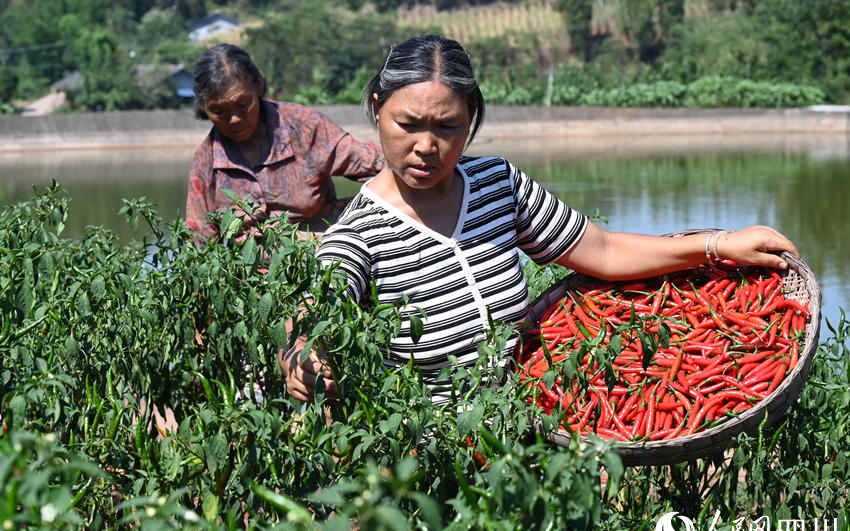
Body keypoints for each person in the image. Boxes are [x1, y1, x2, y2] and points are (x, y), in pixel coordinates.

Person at [279, 35, 800, 406]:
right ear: (376, 110)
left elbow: (604, 251)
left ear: (471, 121)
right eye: (408, 124)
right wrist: (301, 353)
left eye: (448, 127)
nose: (427, 147)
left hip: (530, 436)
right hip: (431, 464)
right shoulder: (358, 234)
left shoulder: (495, 185)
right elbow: (315, 311)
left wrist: (719, 243)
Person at [186, 43, 384, 241]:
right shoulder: (206, 162)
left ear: (259, 85)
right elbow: (200, 241)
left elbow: (377, 164)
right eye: (219, 111)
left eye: (243, 105)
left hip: (323, 251)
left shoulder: (304, 127)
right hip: (249, 268)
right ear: (204, 107)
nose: (234, 119)